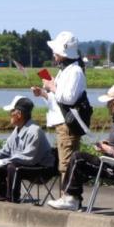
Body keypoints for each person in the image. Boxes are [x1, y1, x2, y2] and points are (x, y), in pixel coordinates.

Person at [48, 84, 114, 211]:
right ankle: (72, 199)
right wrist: (108, 145)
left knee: (78, 159)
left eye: (109, 103)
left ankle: (71, 198)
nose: (107, 107)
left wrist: (107, 149)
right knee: (78, 159)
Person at [32, 31, 90, 187]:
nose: (53, 54)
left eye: (55, 51)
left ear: (63, 53)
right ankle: (67, 196)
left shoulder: (75, 71)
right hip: (62, 123)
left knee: (66, 164)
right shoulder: (64, 70)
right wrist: (44, 93)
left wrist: (52, 87)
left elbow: (69, 98)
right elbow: (58, 100)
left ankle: (68, 197)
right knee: (64, 162)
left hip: (67, 125)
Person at [0, 96, 55, 202]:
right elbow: (5, 150)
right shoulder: (17, 129)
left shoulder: (34, 131)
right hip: (26, 165)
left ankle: (13, 199)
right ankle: (0, 197)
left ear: (19, 114)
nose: (9, 115)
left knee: (13, 167)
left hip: (41, 168)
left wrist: (4, 161)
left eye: (11, 112)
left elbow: (29, 158)